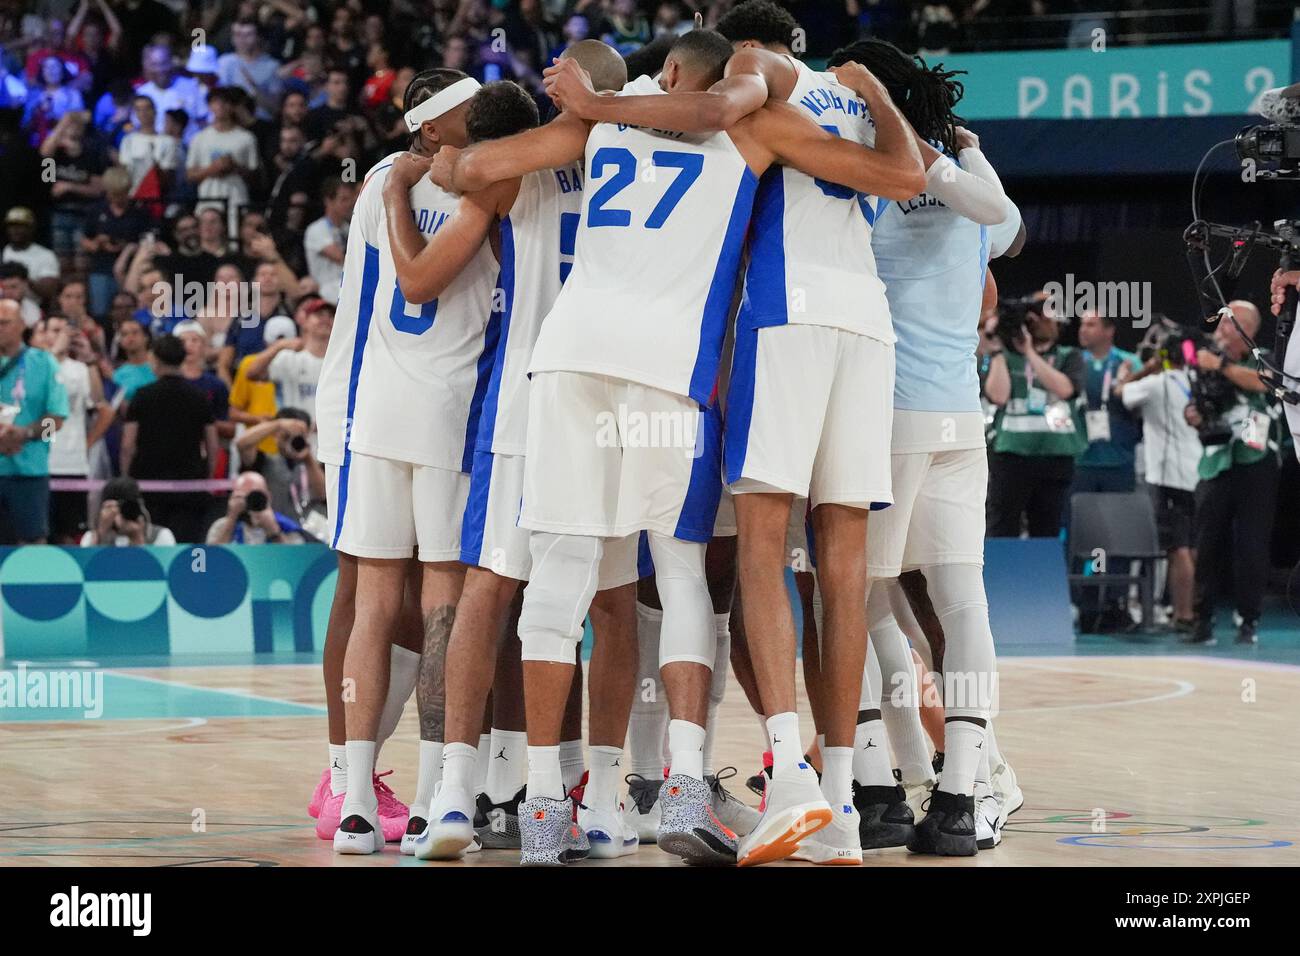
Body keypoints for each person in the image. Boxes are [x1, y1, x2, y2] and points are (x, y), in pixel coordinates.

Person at [444, 26, 923, 866]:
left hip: (568, 360)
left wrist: (591, 115)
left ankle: (547, 815)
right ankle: (686, 786)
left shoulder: (608, 121)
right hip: (670, 377)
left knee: (559, 577)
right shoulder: (754, 126)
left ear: (663, 73)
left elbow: (472, 169)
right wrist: (874, 94)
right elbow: (899, 175)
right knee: (678, 574)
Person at [384, 51, 644, 861]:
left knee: (490, 590)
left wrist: (422, 170)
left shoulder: (526, 163)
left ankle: (457, 793)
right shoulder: (637, 146)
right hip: (618, 394)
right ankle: (597, 797)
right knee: (610, 603)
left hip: (531, 397)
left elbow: (461, 175)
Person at [825, 35, 1026, 856]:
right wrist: (971, 152)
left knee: (861, 597)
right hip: (957, 417)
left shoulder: (865, 174)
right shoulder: (967, 177)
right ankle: (960, 794)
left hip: (884, 410)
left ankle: (875, 788)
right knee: (960, 601)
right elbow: (1008, 228)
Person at [314, 68, 500, 856]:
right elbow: (421, 283)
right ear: (430, 128)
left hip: (367, 405)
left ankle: (354, 795)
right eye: (469, 112)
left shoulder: (385, 181)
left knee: (372, 595)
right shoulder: (481, 185)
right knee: (427, 603)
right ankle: (426, 794)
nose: (485, 118)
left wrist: (396, 190)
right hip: (430, 413)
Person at [1183, 300, 1281, 646]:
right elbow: (1196, 401)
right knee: (1206, 544)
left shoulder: (1266, 355)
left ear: (1247, 331)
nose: (1221, 330)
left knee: (1251, 544)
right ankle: (1200, 620)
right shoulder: (1204, 360)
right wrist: (1193, 413)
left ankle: (1248, 619)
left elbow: (1265, 383)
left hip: (1256, 463)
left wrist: (1222, 366)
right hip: (1216, 461)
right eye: (1221, 323)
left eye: (1229, 324)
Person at [1117, 326, 1203, 631]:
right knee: (1191, 545)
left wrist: (1144, 369)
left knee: (1177, 548)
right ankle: (1192, 611)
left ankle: (1183, 615)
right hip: (1198, 473)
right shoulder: (1196, 382)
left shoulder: (1157, 383)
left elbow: (1122, 392)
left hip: (1168, 476)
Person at [983, 298, 1086, 537]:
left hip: (1055, 455)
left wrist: (1029, 352)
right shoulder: (1005, 357)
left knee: (1047, 529)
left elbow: (1065, 390)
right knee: (1001, 525)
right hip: (1011, 454)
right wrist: (997, 348)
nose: (1038, 322)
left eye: (1046, 317)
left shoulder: (1068, 356)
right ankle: (1000, 574)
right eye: (1033, 317)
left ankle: (1044, 574)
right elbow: (998, 396)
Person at [120, 333, 219, 543]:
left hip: (148, 485)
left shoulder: (142, 395)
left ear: (154, 359)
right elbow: (213, 444)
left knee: (151, 545)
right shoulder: (199, 396)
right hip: (190, 485)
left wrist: (125, 478)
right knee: (187, 546)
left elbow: (128, 445)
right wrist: (207, 476)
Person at [32, 315, 112, 543]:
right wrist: (55, 352)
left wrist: (89, 361)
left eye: (65, 331)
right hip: (39, 462)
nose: (62, 336)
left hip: (72, 463)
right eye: (55, 330)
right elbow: (38, 393)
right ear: (44, 334)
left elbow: (99, 402)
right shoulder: (32, 364)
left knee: (70, 533)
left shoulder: (78, 369)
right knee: (38, 533)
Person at [0, 298, 68, 544]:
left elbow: (57, 420)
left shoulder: (44, 363)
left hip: (29, 472)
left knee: (31, 546)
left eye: (4, 323)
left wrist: (24, 434)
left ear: (21, 325)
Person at [244, 297, 330, 431]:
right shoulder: (289, 358)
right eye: (319, 315)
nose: (325, 319)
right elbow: (252, 373)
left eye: (331, 316)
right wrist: (279, 346)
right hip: (294, 439)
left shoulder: (341, 362)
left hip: (331, 440)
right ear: (304, 321)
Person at [186, 86, 260, 234]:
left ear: (232, 106)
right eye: (215, 102)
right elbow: (190, 175)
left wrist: (234, 167)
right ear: (210, 106)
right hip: (209, 198)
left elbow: (255, 175)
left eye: (225, 103)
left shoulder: (246, 138)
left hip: (236, 198)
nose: (220, 107)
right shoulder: (200, 138)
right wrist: (212, 169)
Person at [206, 469, 305, 544]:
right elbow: (212, 562)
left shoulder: (286, 527)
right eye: (243, 496)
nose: (251, 502)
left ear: (268, 497)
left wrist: (275, 533)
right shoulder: (221, 527)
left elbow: (295, 565)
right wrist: (231, 519)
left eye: (256, 496)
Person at [302, 177, 356, 305]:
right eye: (343, 200)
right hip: (325, 294)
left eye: (351, 200)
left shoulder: (348, 228)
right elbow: (340, 258)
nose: (349, 204)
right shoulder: (316, 229)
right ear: (328, 201)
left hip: (349, 289)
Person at [80, 475, 176, 546]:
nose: (121, 513)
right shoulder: (90, 537)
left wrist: (138, 538)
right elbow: (85, 569)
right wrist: (100, 536)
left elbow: (161, 570)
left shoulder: (161, 535)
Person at [2, 206, 59, 302]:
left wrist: (23, 277)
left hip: (34, 308)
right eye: (12, 226)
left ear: (31, 228)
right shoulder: (2, 253)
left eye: (20, 226)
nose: (15, 230)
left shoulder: (45, 255)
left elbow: (49, 292)